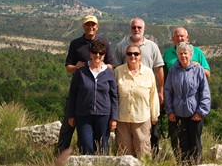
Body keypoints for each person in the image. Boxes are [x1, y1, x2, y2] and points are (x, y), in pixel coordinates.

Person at [56, 15, 114, 153]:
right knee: (68, 125)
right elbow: (67, 67)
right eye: (88, 25)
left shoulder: (104, 42)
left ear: (97, 26)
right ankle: (60, 154)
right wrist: (76, 67)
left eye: (93, 25)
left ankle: (94, 155)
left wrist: (101, 67)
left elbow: (111, 65)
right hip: (80, 89)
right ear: (83, 26)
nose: (90, 27)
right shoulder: (75, 43)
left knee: (97, 131)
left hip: (99, 91)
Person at [113, 19, 165, 152]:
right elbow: (113, 95)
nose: (133, 56)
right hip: (123, 116)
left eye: (139, 27)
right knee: (124, 150)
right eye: (134, 27)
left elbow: (158, 71)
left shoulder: (152, 48)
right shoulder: (118, 68)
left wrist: (161, 90)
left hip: (142, 115)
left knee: (144, 147)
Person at [162, 28, 211, 156]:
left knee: (195, 143)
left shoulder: (198, 69)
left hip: (195, 112)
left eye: (185, 54)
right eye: (180, 54)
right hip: (178, 112)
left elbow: (205, 92)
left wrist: (201, 112)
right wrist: (170, 111)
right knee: (182, 144)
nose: (183, 56)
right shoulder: (173, 70)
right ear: (177, 55)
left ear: (190, 55)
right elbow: (168, 91)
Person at [66, 40, 119, 154]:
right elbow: (73, 94)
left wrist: (114, 117)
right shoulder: (81, 72)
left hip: (103, 115)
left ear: (104, 55)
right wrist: (70, 115)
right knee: (85, 145)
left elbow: (114, 96)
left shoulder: (109, 73)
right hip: (83, 114)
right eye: (95, 52)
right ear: (90, 53)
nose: (97, 55)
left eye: (101, 53)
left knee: (101, 146)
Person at [114, 44, 159, 158]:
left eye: (136, 54)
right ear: (126, 55)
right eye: (129, 54)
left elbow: (153, 95)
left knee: (143, 153)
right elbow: (113, 96)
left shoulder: (148, 73)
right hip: (122, 119)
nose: (133, 56)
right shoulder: (118, 71)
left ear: (140, 56)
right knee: (124, 154)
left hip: (142, 119)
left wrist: (154, 115)